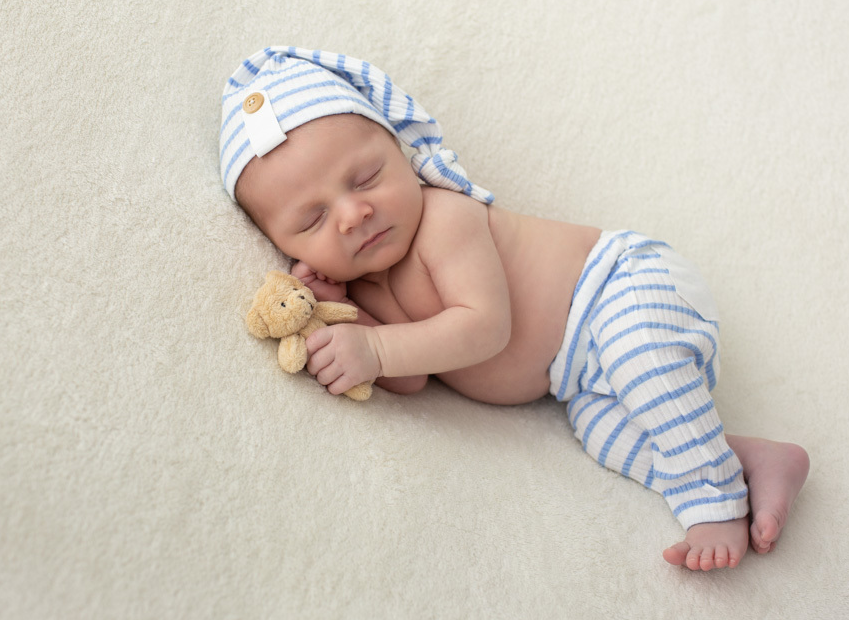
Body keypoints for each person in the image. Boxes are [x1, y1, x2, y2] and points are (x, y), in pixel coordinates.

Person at [219, 47, 809, 571]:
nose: (353, 215)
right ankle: (746, 458)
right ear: (284, 245)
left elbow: (484, 328)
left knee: (638, 356)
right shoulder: (366, 288)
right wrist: (349, 318)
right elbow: (414, 376)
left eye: (367, 176)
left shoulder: (445, 220)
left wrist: (375, 348)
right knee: (606, 438)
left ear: (401, 153)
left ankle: (713, 498)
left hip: (618, 290)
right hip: (574, 381)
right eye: (313, 220)